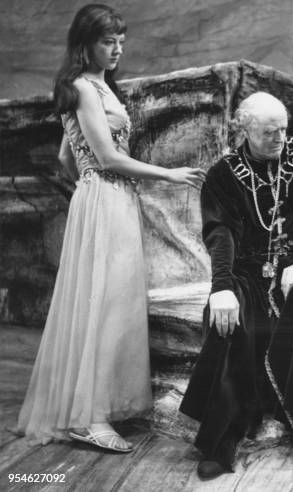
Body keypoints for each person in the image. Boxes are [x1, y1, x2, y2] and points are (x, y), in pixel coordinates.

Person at [17, 4, 205, 453]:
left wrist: (90, 184)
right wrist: (168, 175)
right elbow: (105, 158)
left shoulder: (97, 87)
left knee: (114, 301)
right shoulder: (83, 88)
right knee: (103, 304)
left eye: (121, 41)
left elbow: (68, 154)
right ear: (85, 43)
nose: (117, 49)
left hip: (109, 199)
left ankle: (93, 407)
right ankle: (89, 417)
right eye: (108, 41)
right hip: (106, 198)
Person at [180, 92, 293, 480]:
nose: (279, 139)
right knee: (225, 310)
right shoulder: (223, 174)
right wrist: (221, 286)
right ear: (243, 129)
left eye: (283, 130)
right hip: (250, 271)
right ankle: (221, 441)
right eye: (268, 132)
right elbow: (219, 233)